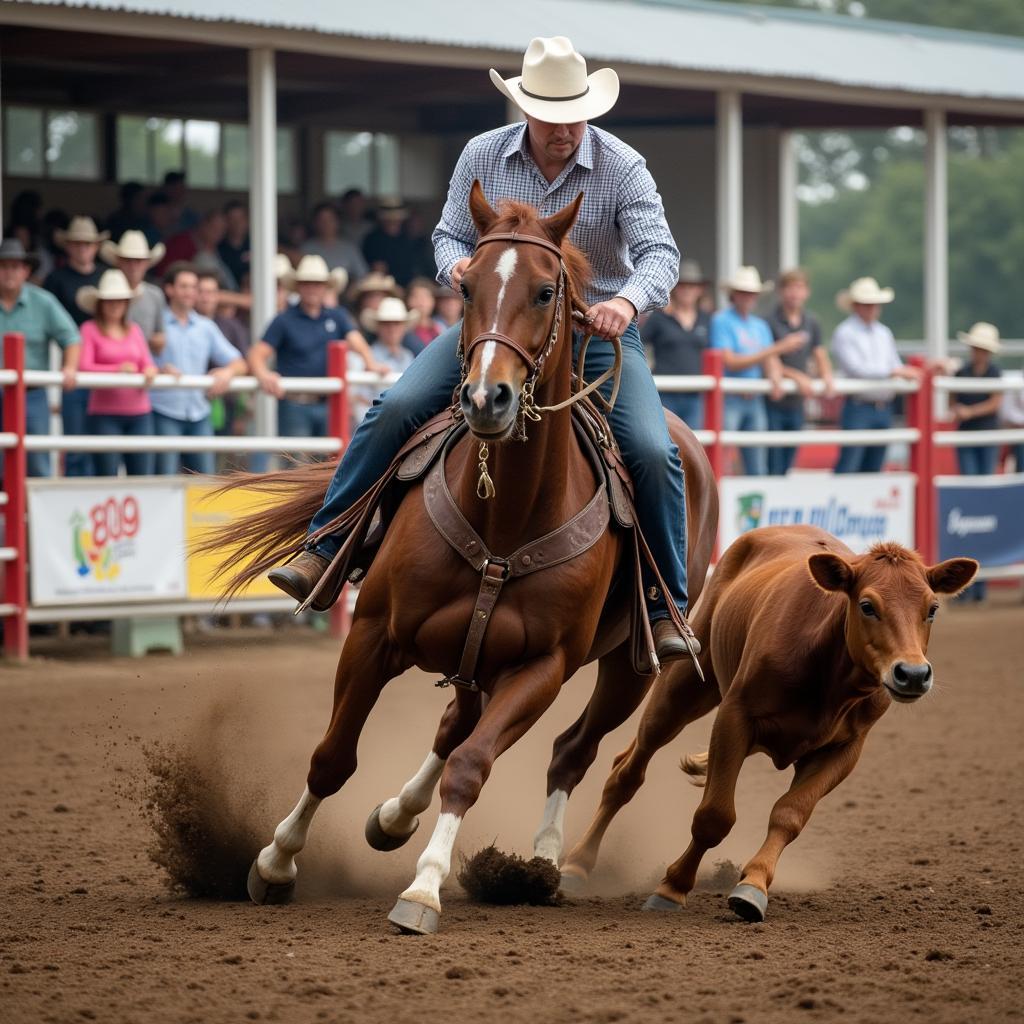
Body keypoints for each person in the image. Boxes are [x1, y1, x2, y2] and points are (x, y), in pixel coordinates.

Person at [271, 36, 699, 662]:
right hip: (498, 324)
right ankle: (328, 545)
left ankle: (667, 608)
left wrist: (625, 303)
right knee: (394, 407)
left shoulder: (621, 165)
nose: (566, 128)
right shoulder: (483, 155)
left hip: (592, 332)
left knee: (654, 451)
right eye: (553, 115)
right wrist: (458, 268)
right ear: (527, 110)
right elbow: (447, 233)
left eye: (576, 112)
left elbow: (661, 253)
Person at [250, 255, 389, 440]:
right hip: (295, 404)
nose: (312, 289)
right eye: (307, 283)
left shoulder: (337, 316)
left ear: (325, 288)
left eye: (317, 284)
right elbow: (257, 354)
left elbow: (357, 341)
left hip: (328, 402)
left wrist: (370, 363)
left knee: (330, 462)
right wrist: (264, 375)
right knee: (299, 464)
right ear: (299, 287)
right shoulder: (284, 320)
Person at [150, 263, 245, 475]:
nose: (190, 292)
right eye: (184, 286)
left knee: (205, 483)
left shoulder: (206, 326)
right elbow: (139, 359)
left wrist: (227, 372)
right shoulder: (156, 323)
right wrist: (159, 370)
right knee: (165, 481)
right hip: (165, 410)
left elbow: (239, 361)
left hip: (199, 412)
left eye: (193, 287)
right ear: (170, 289)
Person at [0, 238, 80, 477]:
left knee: (37, 461)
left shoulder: (42, 301)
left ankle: (34, 514)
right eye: (4, 266)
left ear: (26, 270)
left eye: (16, 266)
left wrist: (70, 367)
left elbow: (72, 338)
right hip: (1, 391)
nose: (9, 272)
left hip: (31, 394)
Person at [832, 277, 921, 474]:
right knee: (850, 464)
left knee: (874, 467)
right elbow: (857, 369)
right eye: (867, 304)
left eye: (874, 304)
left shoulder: (883, 333)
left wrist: (900, 371)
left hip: (882, 407)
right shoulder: (845, 332)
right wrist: (896, 372)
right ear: (856, 306)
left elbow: (893, 364)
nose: (872, 308)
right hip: (859, 406)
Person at [710, 266, 792, 477]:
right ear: (734, 295)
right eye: (744, 292)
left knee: (756, 461)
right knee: (723, 459)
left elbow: (769, 360)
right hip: (730, 398)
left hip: (752, 398)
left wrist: (775, 375)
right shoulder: (722, 320)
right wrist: (774, 351)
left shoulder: (759, 325)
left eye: (751, 293)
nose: (748, 297)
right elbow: (730, 362)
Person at [44, 216, 109, 477]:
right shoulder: (56, 279)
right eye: (78, 243)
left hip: (105, 365)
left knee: (105, 444)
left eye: (88, 244)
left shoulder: (106, 275)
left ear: (95, 247)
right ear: (68, 246)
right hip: (73, 366)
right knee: (75, 442)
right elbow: (53, 328)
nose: (83, 248)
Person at [76, 269, 157, 477]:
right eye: (110, 300)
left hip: (140, 413)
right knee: (106, 476)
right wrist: (117, 370)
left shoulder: (135, 330)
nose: (115, 305)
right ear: (100, 303)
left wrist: (149, 370)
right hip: (105, 414)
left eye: (120, 301)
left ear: (126, 303)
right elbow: (84, 367)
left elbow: (147, 363)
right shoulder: (89, 329)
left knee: (141, 475)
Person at [948, 322, 1003, 604]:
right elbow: (954, 400)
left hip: (981, 437)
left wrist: (966, 411)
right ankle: (974, 585)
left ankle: (976, 585)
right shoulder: (965, 372)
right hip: (974, 438)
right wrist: (963, 410)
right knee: (974, 499)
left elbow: (995, 403)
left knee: (978, 499)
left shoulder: (989, 373)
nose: (979, 353)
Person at [765, 268, 834, 476]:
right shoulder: (769, 321)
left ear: (807, 292)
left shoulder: (811, 321)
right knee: (773, 461)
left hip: (797, 402)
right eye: (790, 288)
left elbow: (819, 353)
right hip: (773, 401)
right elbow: (768, 359)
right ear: (781, 291)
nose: (794, 293)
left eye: (799, 287)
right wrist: (797, 376)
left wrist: (827, 376)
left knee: (789, 459)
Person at [642, 258, 710, 428]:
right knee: (667, 441)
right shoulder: (659, 317)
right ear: (674, 288)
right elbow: (636, 343)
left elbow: (715, 352)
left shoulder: (706, 318)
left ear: (699, 290)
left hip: (695, 393)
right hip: (665, 392)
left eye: (692, 286)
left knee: (694, 444)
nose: (687, 290)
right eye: (682, 285)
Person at [347, 297, 418, 426]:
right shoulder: (366, 357)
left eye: (396, 323)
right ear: (378, 327)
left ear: (403, 327)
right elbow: (356, 398)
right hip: (372, 422)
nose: (392, 329)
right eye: (386, 324)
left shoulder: (408, 356)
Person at [100, 231, 167, 356]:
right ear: (118, 262)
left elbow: (160, 337)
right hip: (111, 362)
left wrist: (156, 341)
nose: (133, 266)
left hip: (145, 367)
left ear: (147, 263)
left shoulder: (155, 295)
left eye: (138, 261)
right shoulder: (104, 292)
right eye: (128, 260)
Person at [157, 210, 238, 290]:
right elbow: (164, 276)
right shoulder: (181, 243)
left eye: (222, 230)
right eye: (214, 228)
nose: (218, 234)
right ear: (203, 225)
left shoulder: (220, 249)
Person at [301, 202, 368, 283]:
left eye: (330, 219)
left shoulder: (349, 248)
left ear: (337, 222)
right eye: (321, 220)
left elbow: (362, 275)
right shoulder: (306, 248)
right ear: (315, 223)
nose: (326, 224)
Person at [362, 197, 417, 285]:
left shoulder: (407, 238)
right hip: (384, 286)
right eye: (388, 217)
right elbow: (378, 270)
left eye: (396, 217)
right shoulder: (373, 240)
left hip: (409, 286)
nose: (393, 220)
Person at [217, 200, 250, 289]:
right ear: (226, 222)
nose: (237, 223)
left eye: (241, 218)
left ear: (247, 220)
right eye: (232, 219)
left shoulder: (257, 244)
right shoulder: (218, 248)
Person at [405, 277, 443, 346]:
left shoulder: (439, 328)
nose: (421, 302)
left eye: (426, 297)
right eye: (416, 297)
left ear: (433, 301)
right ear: (408, 301)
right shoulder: (402, 330)